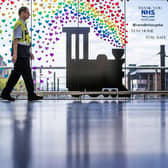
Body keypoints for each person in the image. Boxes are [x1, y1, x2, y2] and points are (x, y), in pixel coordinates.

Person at [1, 6, 43, 101]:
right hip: (20, 52)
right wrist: (15, 54)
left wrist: (29, 52)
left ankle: (29, 94)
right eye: (27, 13)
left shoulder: (24, 24)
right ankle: (6, 93)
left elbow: (25, 40)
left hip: (24, 52)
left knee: (24, 74)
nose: (29, 15)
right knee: (19, 74)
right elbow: (16, 40)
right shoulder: (19, 24)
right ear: (22, 13)